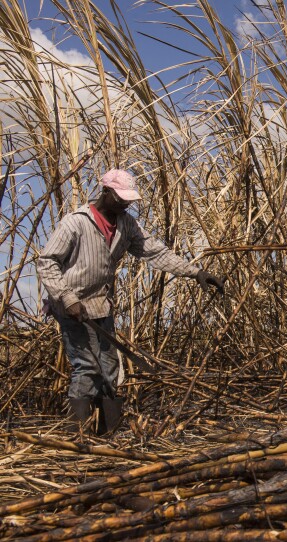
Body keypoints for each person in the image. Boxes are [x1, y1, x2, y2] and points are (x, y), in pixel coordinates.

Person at [36, 169, 224, 432]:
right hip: (71, 306)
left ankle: (105, 433)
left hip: (101, 305)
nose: (126, 203)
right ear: (106, 192)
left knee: (110, 367)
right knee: (87, 367)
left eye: (129, 199)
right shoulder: (75, 223)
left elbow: (155, 252)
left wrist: (196, 272)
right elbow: (47, 262)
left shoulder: (126, 225)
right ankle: (78, 435)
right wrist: (67, 299)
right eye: (121, 198)